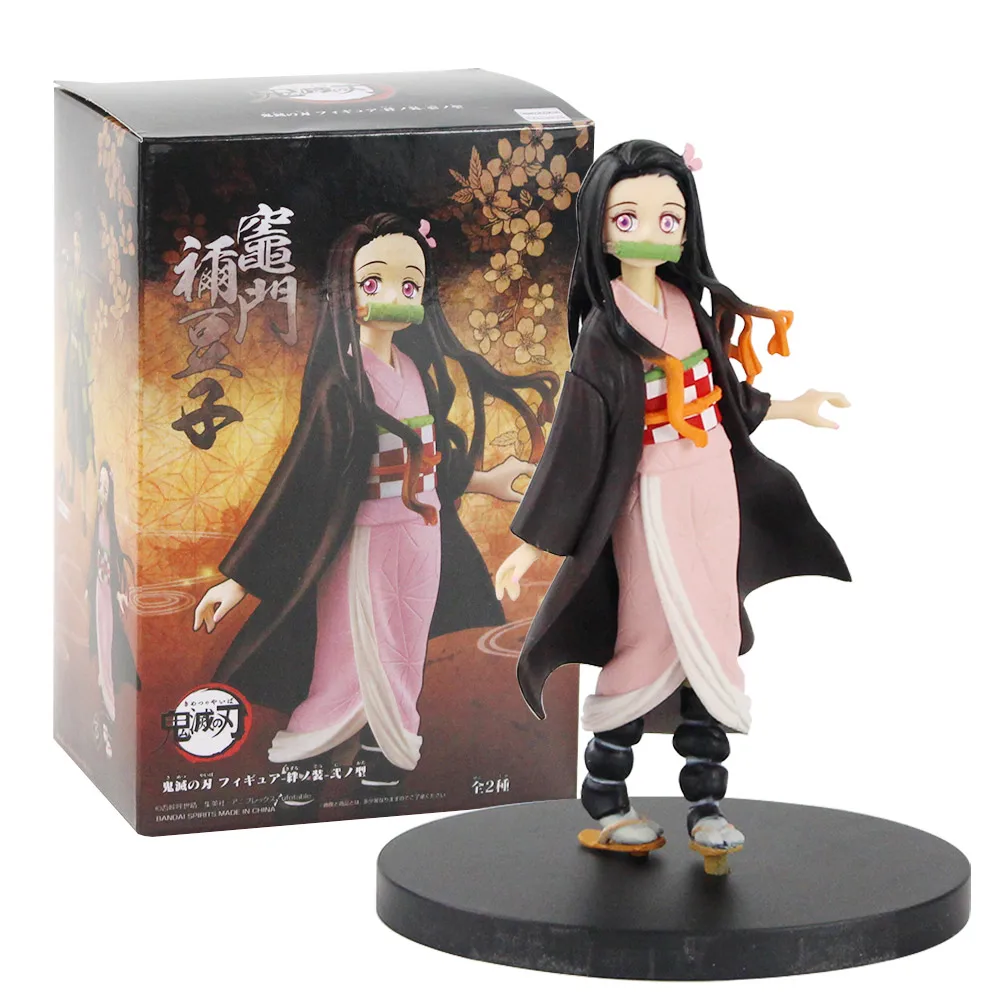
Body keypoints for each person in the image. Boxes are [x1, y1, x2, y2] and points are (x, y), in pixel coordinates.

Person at [495, 141, 850, 861]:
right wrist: (531, 545)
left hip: (713, 484)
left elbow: (722, 397)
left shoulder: (690, 306)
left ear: (687, 228)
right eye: (628, 218)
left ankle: (707, 805)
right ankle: (606, 798)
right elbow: (574, 443)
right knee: (649, 634)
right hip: (649, 494)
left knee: (713, 634)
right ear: (601, 229)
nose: (651, 233)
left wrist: (790, 406)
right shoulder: (605, 332)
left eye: (670, 217)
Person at [194, 212, 557, 815]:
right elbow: (302, 479)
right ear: (346, 292)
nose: (394, 295)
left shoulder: (414, 372)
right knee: (346, 652)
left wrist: (485, 481)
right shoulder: (342, 382)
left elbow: (431, 456)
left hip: (422, 539)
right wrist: (239, 578)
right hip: (361, 541)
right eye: (373, 282)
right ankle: (306, 762)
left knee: (404, 654)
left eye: (410, 284)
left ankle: (383, 763)